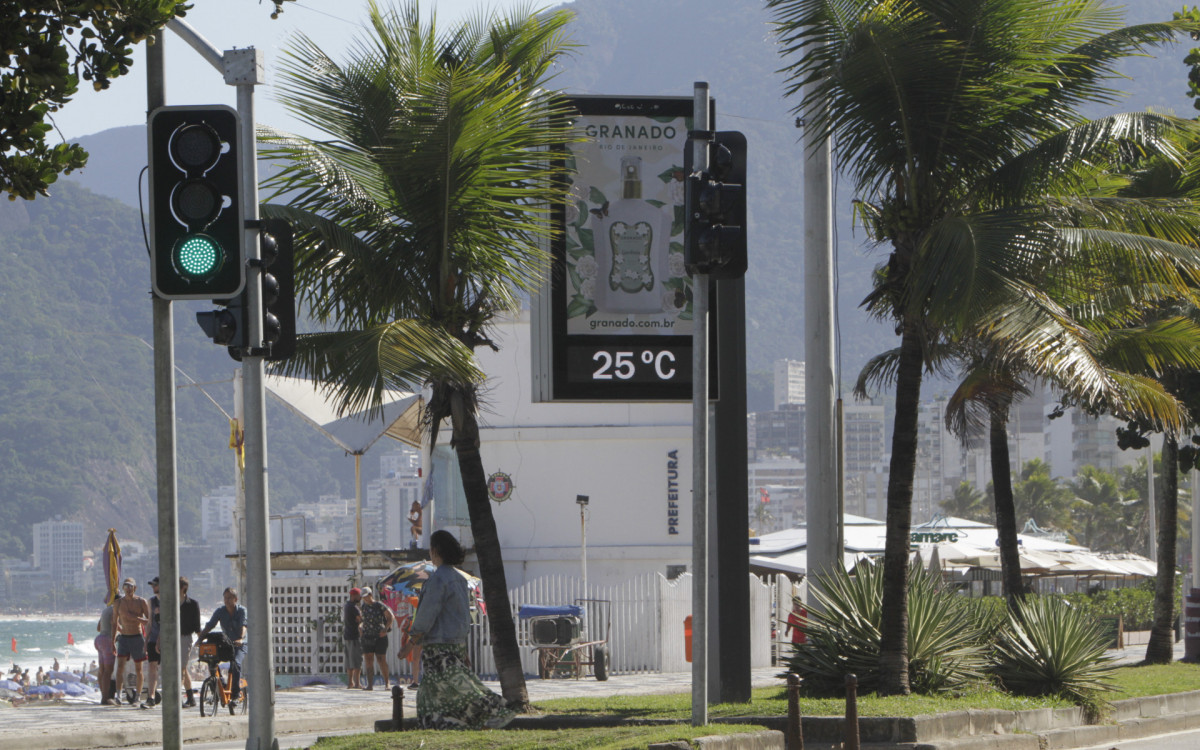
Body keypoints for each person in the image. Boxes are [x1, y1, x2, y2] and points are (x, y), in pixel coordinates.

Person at [399, 530, 513, 730]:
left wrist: (409, 644)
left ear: (435, 551)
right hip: (456, 645)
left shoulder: (437, 581)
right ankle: (452, 725)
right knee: (451, 688)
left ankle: (493, 714)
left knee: (448, 689)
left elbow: (426, 616)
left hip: (438, 648)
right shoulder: (461, 580)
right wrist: (463, 648)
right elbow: (462, 616)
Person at [199, 587, 247, 709]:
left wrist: (240, 638)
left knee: (235, 663)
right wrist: (200, 639)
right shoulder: (220, 611)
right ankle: (219, 685)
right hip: (226, 643)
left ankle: (235, 694)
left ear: (235, 599)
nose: (227, 601)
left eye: (230, 598)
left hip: (240, 644)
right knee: (211, 660)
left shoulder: (241, 611)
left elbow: (243, 625)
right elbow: (210, 625)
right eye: (225, 598)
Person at [113, 577, 150, 707]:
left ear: (135, 588)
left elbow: (149, 621)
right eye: (126, 586)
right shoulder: (118, 603)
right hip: (123, 638)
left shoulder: (141, 602)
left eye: (130, 587)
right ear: (123, 588)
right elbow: (114, 623)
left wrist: (135, 618)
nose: (128, 589)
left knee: (138, 668)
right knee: (120, 667)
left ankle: (138, 697)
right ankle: (118, 695)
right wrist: (113, 640)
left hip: (137, 636)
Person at [359, 587, 394, 689]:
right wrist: (360, 627)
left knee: (381, 659)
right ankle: (370, 685)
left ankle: (387, 683)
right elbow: (363, 620)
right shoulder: (364, 607)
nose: (365, 599)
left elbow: (390, 617)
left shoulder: (379, 605)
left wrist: (386, 629)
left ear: (370, 595)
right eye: (363, 597)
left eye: (366, 596)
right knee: (368, 660)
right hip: (367, 636)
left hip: (379, 636)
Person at [179, 577, 202, 708]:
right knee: (182, 669)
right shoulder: (171, 603)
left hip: (185, 638)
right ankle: (191, 697)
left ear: (183, 588)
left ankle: (178, 697)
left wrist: (201, 640)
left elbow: (197, 626)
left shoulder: (193, 604)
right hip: (172, 638)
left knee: (181, 669)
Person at [144, 577, 162, 705]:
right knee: (152, 667)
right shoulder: (151, 601)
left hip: (166, 640)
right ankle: (150, 697)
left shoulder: (169, 600)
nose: (153, 587)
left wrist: (160, 640)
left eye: (155, 585)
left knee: (169, 668)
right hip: (153, 638)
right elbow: (150, 622)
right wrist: (146, 640)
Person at [343, 587, 363, 689]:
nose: (360, 598)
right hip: (355, 636)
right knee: (357, 660)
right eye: (359, 595)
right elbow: (360, 620)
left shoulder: (347, 606)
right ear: (354, 596)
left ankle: (350, 682)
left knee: (349, 660)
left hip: (347, 636)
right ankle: (357, 683)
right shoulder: (354, 608)